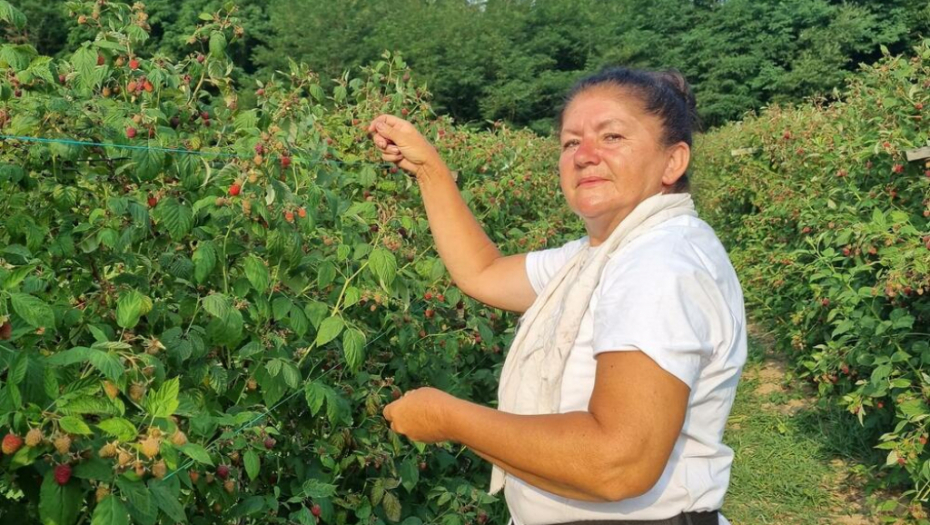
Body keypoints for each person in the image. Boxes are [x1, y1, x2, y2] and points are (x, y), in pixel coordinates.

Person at [370, 67, 746, 525]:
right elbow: (483, 272)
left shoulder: (658, 264)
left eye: (612, 137)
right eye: (571, 142)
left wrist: (449, 418)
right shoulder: (599, 255)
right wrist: (429, 169)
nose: (585, 155)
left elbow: (617, 463)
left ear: (673, 161)